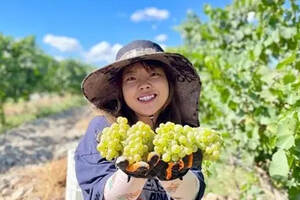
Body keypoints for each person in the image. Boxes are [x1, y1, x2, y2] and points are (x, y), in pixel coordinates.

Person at [75, 40, 206, 200]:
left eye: (154, 74)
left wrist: (175, 177)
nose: (144, 85)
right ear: (120, 90)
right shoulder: (104, 130)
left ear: (168, 82)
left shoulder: (181, 134)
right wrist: (130, 177)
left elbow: (192, 195)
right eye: (131, 78)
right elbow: (99, 193)